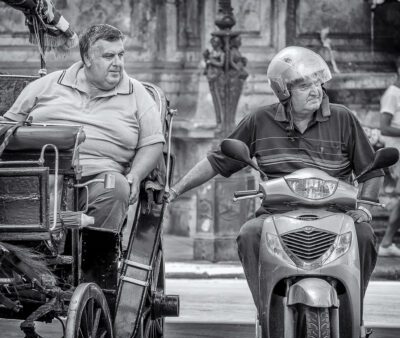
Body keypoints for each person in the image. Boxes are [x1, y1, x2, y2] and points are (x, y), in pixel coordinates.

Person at [169, 46, 383, 317]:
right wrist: (175, 190)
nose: (316, 90)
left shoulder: (343, 119)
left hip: (336, 216)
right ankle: (267, 312)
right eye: (304, 85)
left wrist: (364, 209)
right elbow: (217, 161)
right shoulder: (260, 120)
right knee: (249, 235)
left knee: (364, 235)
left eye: (318, 83)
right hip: (276, 216)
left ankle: (354, 313)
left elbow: (373, 171)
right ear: (284, 92)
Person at [2, 24, 164, 233]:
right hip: (38, 176)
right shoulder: (46, 85)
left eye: (121, 55)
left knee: (116, 188)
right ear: (87, 58)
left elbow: (153, 143)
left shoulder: (137, 93)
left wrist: (137, 174)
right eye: (109, 56)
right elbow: (7, 128)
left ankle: (94, 262)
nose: (118, 64)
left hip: (98, 177)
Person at [378, 57, 400, 256]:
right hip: (397, 152)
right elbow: (384, 127)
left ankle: (386, 242)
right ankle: (385, 242)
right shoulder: (392, 93)